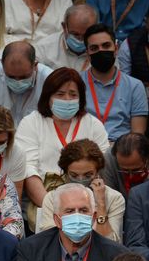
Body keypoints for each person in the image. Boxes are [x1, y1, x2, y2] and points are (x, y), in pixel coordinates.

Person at [17, 66, 112, 223]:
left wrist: (84, 209)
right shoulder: (31, 122)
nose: (67, 99)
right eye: (60, 94)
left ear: (81, 98)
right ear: (48, 96)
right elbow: (29, 170)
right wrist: (53, 209)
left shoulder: (93, 124)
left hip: (87, 206)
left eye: (73, 94)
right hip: (44, 205)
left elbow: (103, 168)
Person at [37, 138, 125, 241]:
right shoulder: (52, 198)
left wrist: (101, 204)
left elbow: (111, 243)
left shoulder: (114, 198)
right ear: (65, 172)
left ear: (97, 172)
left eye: (88, 175)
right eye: (74, 175)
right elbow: (49, 241)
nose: (81, 180)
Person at [80, 23, 149, 144]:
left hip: (121, 148)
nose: (101, 51)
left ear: (116, 48)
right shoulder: (76, 82)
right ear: (87, 54)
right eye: (94, 48)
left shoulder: (135, 86)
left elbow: (137, 134)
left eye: (106, 46)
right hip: (84, 146)